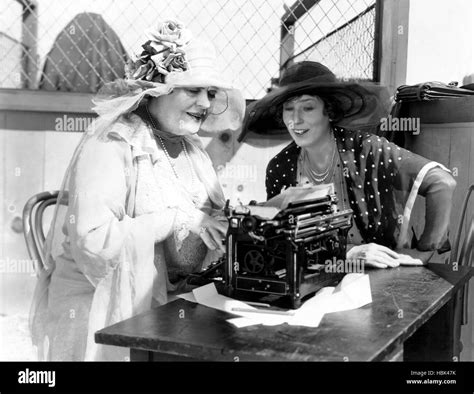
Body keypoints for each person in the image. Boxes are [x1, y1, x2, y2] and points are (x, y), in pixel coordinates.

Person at [29, 20, 245, 361]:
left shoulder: (191, 149)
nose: (205, 102)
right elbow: (93, 243)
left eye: (211, 92)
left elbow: (208, 219)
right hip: (100, 309)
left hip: (169, 300)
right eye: (192, 90)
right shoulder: (112, 142)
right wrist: (175, 219)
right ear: (154, 91)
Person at [244, 61, 456, 269]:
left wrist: (424, 252)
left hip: (382, 275)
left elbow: (441, 183)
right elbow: (277, 236)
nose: (295, 120)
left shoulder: (367, 149)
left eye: (308, 107)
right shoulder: (280, 167)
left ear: (330, 111)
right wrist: (347, 252)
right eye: (288, 109)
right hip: (317, 277)